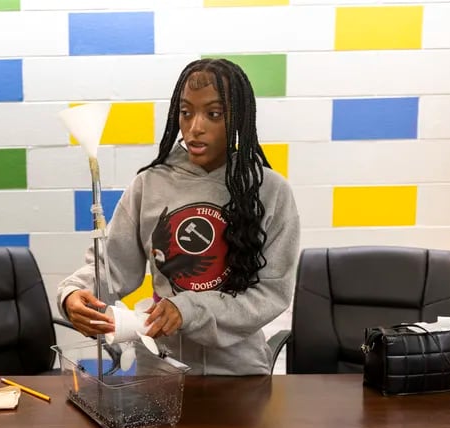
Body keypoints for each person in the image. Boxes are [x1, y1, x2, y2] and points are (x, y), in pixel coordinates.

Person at [58, 58, 300, 375]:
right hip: (162, 369)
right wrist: (74, 293)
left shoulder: (270, 191)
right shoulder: (151, 184)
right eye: (186, 112)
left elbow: (271, 292)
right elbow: (112, 266)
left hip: (239, 373)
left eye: (213, 114)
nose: (195, 126)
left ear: (238, 118)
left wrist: (188, 308)